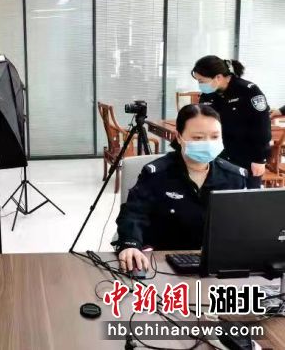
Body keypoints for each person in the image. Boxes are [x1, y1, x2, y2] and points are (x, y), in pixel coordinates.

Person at [115, 104, 247, 272]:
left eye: (215, 136)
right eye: (198, 137)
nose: (208, 143)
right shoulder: (156, 173)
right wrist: (131, 244)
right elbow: (134, 213)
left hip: (218, 263)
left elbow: (244, 224)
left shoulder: (234, 177)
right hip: (163, 262)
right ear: (178, 137)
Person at [192, 55, 271, 189]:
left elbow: (262, 126)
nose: (200, 85)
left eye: (202, 81)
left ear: (218, 77)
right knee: (217, 195)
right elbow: (202, 121)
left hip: (246, 156)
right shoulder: (208, 94)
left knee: (245, 197)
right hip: (218, 155)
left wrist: (260, 159)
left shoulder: (248, 91)